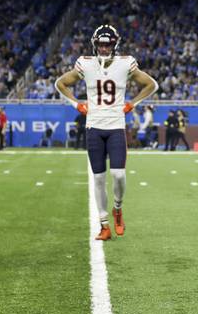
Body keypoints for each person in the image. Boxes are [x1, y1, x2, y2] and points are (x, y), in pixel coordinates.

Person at [56, 24, 159, 241]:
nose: (104, 49)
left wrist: (133, 103)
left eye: (108, 45)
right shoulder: (85, 64)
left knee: (119, 175)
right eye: (101, 45)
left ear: (114, 44)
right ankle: (104, 225)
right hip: (94, 126)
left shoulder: (125, 63)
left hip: (115, 127)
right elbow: (61, 83)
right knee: (99, 178)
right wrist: (77, 105)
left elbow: (151, 84)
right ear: (95, 45)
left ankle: (118, 209)